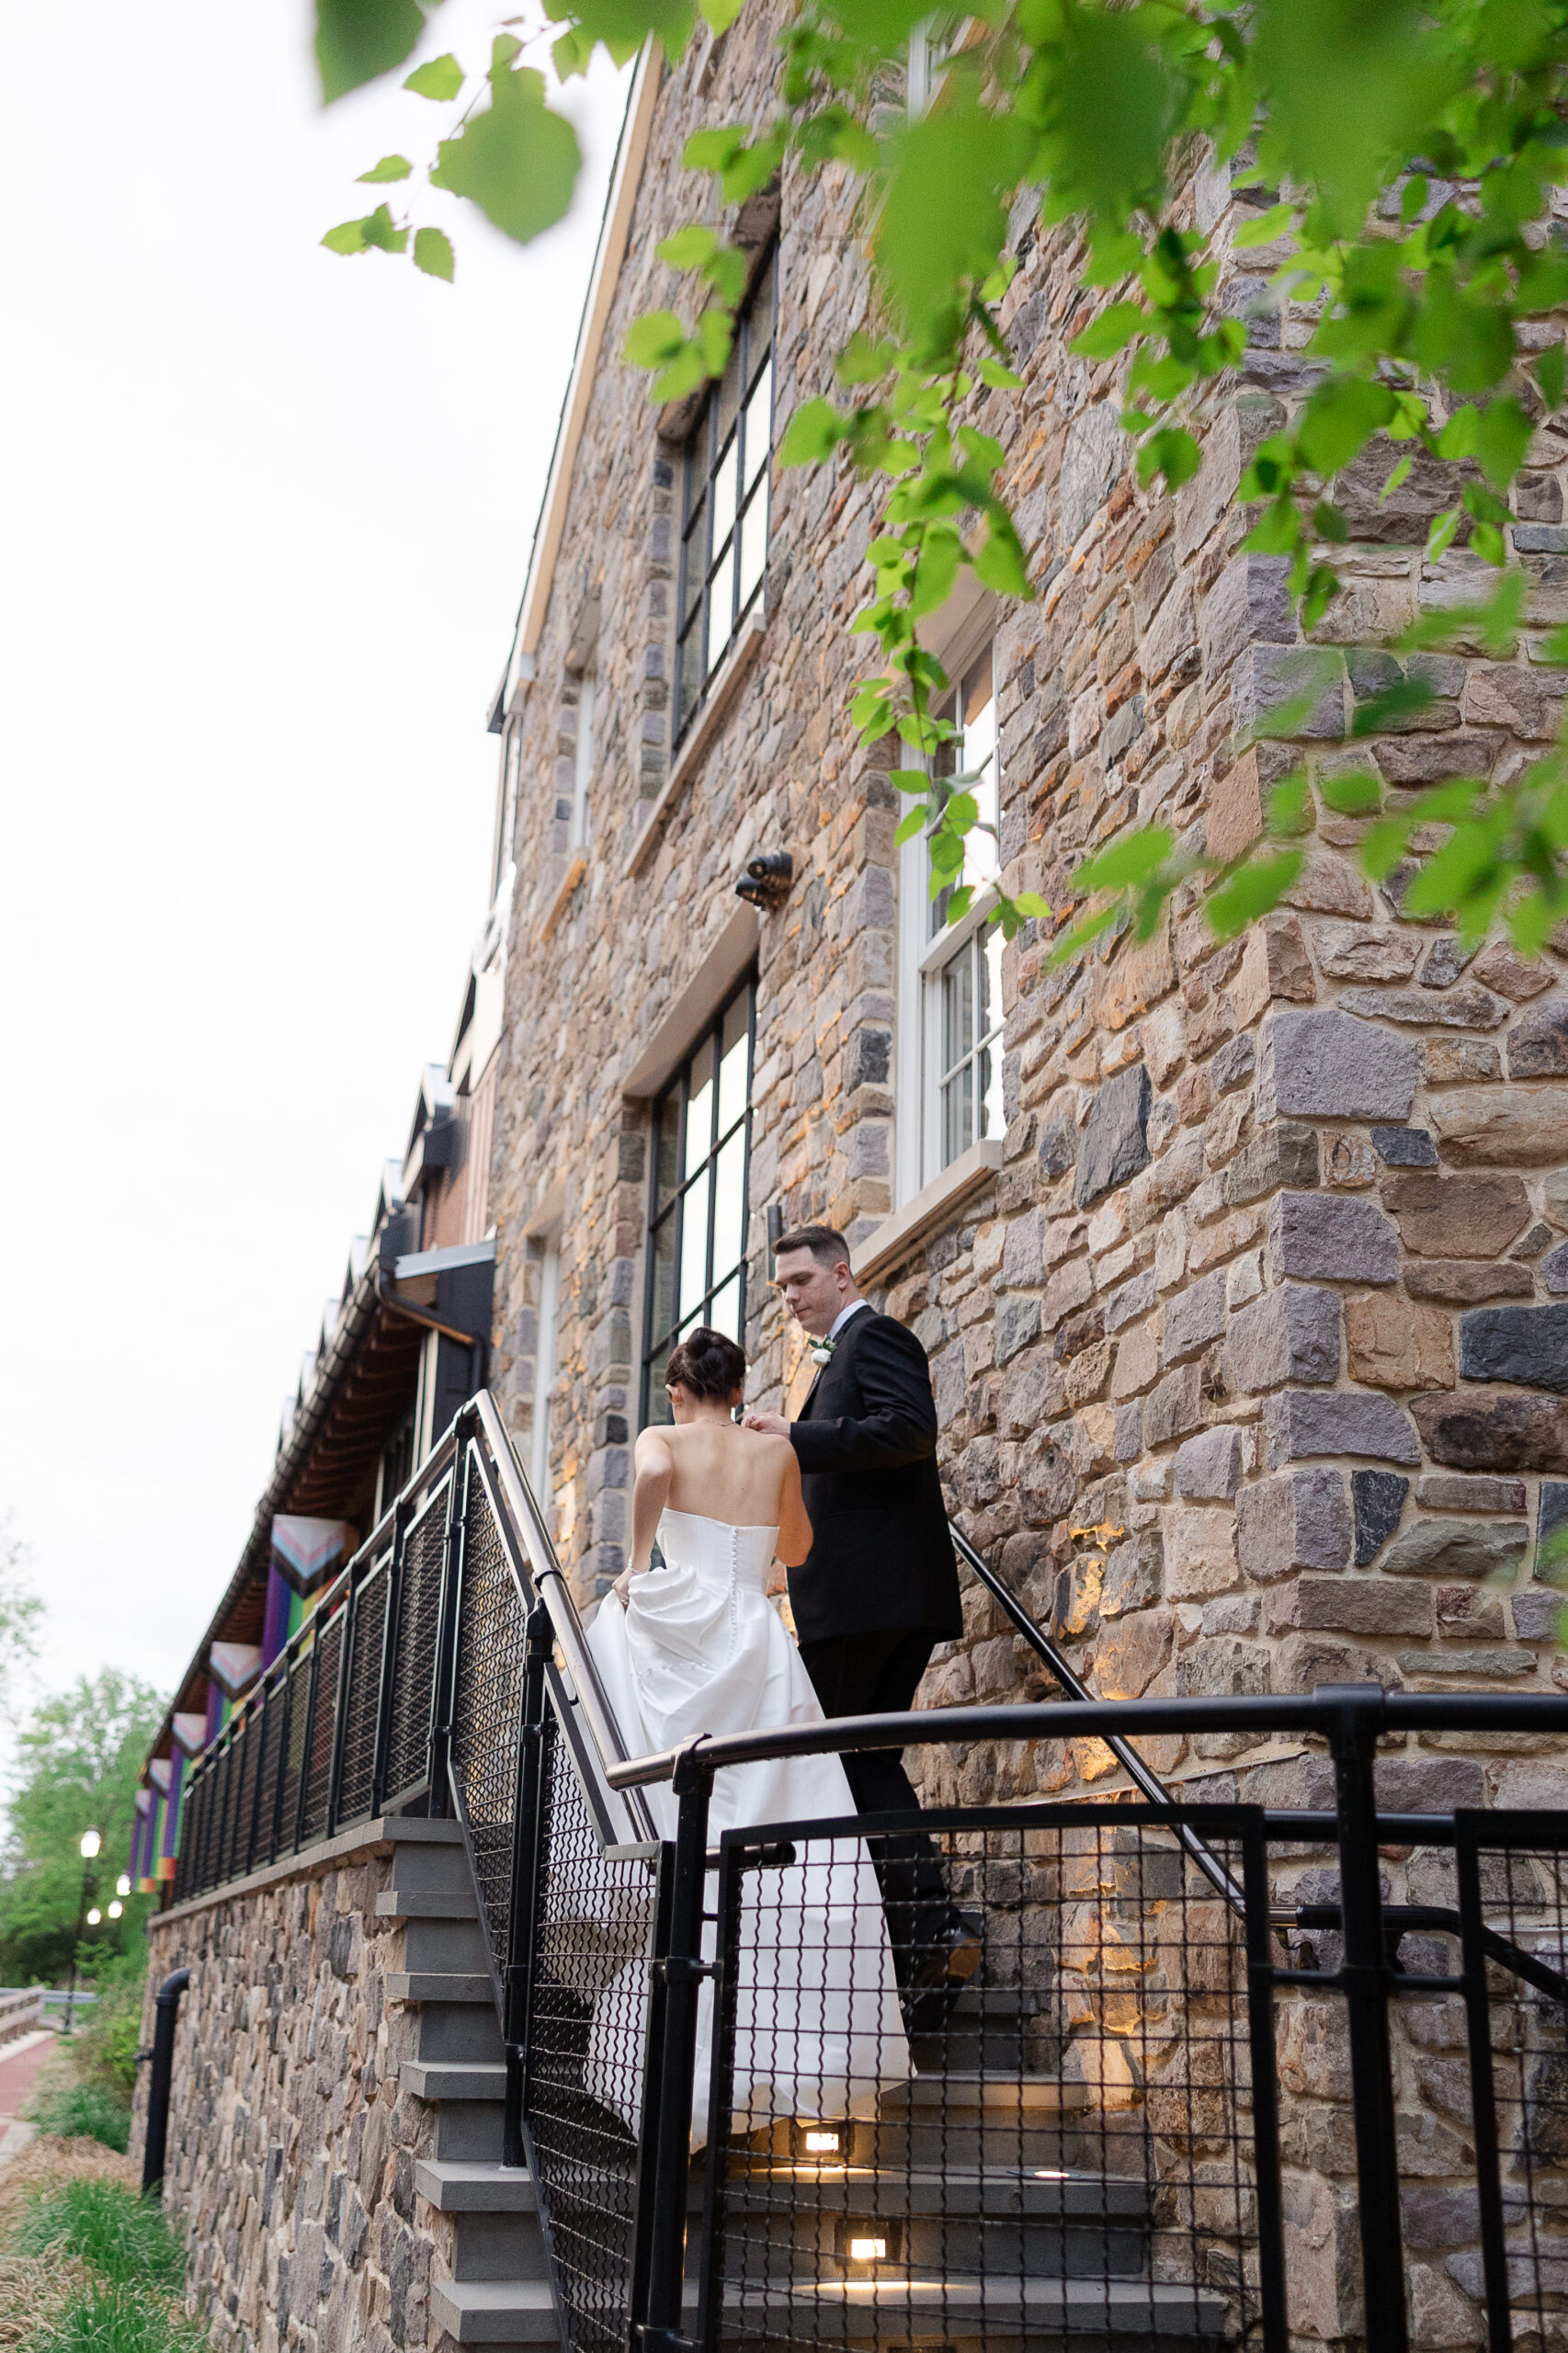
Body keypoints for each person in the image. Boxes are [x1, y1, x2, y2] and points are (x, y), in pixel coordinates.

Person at [584, 1324, 909, 2144]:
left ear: (677, 1390)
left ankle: (681, 2010)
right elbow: (796, 1547)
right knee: (782, 1822)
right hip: (752, 1633)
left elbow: (655, 1469)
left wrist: (636, 1558)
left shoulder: (661, 1437)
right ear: (738, 1392)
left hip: (682, 1622)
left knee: (660, 1773)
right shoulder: (775, 1454)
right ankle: (793, 2044)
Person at [743, 1223, 981, 2014]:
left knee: (844, 1757)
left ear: (842, 1275)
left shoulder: (877, 1336)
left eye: (800, 1282)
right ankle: (926, 1942)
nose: (791, 1298)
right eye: (781, 1288)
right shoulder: (839, 1353)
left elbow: (911, 1431)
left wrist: (797, 1436)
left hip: (869, 1599)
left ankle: (929, 1930)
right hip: (863, 1599)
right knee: (862, 1758)